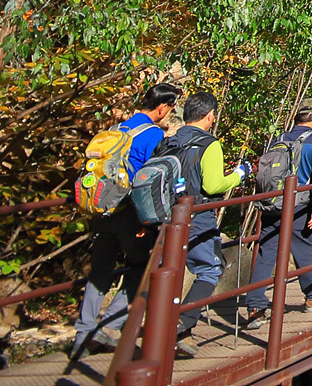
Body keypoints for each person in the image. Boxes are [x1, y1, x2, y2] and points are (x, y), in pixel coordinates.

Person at [68, 82, 182, 364]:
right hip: (127, 212)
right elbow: (149, 178)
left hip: (101, 211)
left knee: (100, 272)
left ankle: (82, 336)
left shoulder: (116, 130)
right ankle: (109, 325)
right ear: (162, 108)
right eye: (170, 109)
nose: (169, 114)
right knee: (141, 265)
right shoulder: (153, 135)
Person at [153, 92, 248, 340]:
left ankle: (163, 326)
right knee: (210, 269)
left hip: (166, 215)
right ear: (210, 116)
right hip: (197, 215)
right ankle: (181, 324)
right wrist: (239, 175)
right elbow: (214, 185)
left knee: (169, 271)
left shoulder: (167, 142)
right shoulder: (209, 144)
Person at [238, 99, 312, 329]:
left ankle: (255, 306)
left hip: (272, 203)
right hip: (299, 204)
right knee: (304, 246)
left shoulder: (279, 138)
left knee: (266, 253)